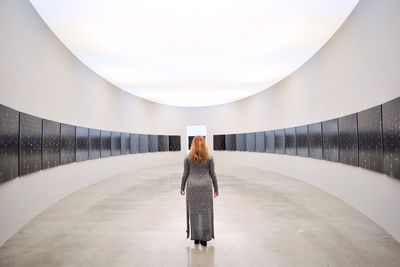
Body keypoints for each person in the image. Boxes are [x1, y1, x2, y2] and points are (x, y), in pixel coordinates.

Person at [180, 136, 219, 247]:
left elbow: (185, 174)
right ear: (204, 144)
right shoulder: (209, 157)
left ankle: (196, 238)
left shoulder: (188, 158)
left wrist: (182, 187)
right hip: (205, 187)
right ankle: (205, 239)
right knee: (205, 213)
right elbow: (213, 174)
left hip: (192, 187)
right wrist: (216, 188)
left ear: (193, 144)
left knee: (194, 213)